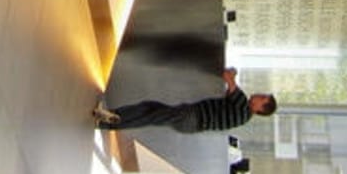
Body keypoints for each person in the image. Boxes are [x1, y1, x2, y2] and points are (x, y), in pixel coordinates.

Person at [93, 68, 277, 133]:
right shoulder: (243, 114)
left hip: (192, 116)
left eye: (262, 98)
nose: (259, 95)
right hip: (191, 121)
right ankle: (110, 117)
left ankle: (108, 122)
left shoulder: (243, 106)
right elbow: (231, 88)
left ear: (261, 109)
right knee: (149, 109)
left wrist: (231, 74)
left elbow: (228, 79)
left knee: (150, 115)